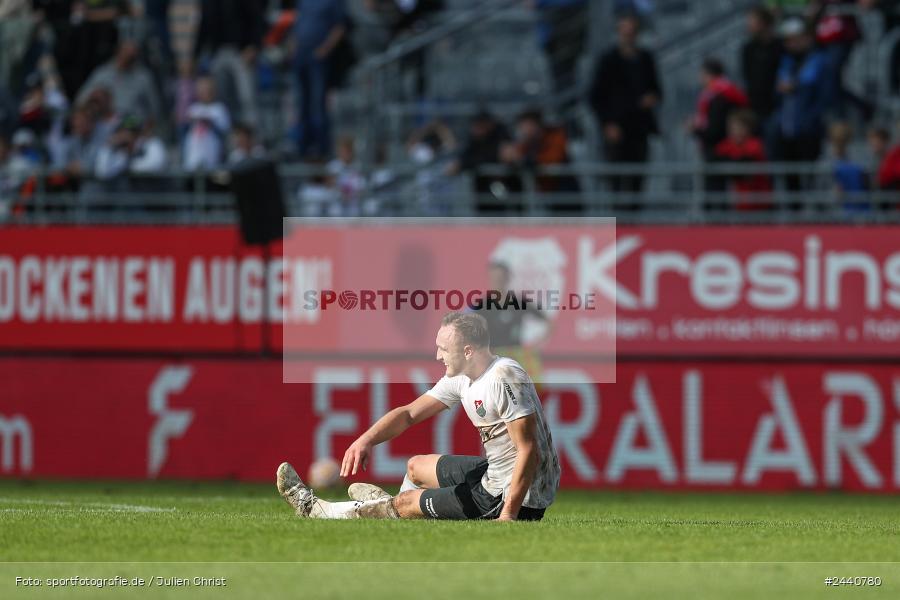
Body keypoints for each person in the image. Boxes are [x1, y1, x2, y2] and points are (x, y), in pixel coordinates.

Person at [276, 312, 560, 521]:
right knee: (415, 467)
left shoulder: (503, 377)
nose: (437, 356)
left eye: (443, 349)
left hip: (517, 497)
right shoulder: (465, 375)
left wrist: (508, 515)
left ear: (469, 351)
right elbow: (409, 414)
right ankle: (391, 508)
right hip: (495, 473)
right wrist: (366, 440)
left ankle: (319, 511)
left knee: (408, 503)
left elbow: (529, 450)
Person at [588, 13, 661, 203]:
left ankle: (633, 225)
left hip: (639, 128)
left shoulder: (646, 58)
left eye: (633, 31)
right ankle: (617, 225)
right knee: (616, 180)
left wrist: (652, 98)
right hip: (617, 129)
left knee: (638, 180)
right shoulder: (608, 60)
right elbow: (595, 97)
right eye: (625, 31)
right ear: (619, 32)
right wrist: (607, 123)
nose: (629, 35)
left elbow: (657, 89)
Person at [773, 18, 833, 199]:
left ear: (806, 38)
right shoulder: (786, 62)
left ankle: (812, 216)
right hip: (786, 129)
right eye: (788, 39)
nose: (790, 43)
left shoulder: (820, 61)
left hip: (809, 130)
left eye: (794, 38)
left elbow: (825, 96)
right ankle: (794, 218)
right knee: (790, 178)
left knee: (810, 176)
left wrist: (811, 120)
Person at [292, 0, 347, 158]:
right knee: (302, 103)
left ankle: (322, 147)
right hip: (301, 55)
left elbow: (340, 27)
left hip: (319, 57)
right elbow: (298, 23)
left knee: (318, 103)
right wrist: (294, 46)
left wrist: (325, 49)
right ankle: (303, 146)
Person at [501, 109, 581, 214]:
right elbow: (514, 155)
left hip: (564, 191)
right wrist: (511, 155)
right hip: (544, 193)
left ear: (537, 125)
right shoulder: (528, 143)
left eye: (527, 125)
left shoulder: (555, 136)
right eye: (522, 126)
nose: (524, 130)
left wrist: (529, 160)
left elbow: (553, 159)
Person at [76, 40, 161, 123]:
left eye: (133, 56)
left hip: (133, 125)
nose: (130, 58)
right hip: (104, 125)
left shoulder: (144, 77)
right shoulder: (102, 73)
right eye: (127, 54)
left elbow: (155, 109)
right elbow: (81, 100)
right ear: (118, 52)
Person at [713, 110, 772, 211]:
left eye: (739, 127)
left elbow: (745, 163)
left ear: (749, 128)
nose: (735, 131)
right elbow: (715, 159)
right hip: (736, 204)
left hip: (759, 203)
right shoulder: (725, 146)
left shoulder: (755, 145)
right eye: (732, 128)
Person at [740, 6, 782, 132]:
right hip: (755, 106)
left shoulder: (779, 46)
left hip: (777, 105)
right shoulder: (748, 49)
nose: (749, 26)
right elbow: (748, 77)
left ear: (764, 23)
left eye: (752, 21)